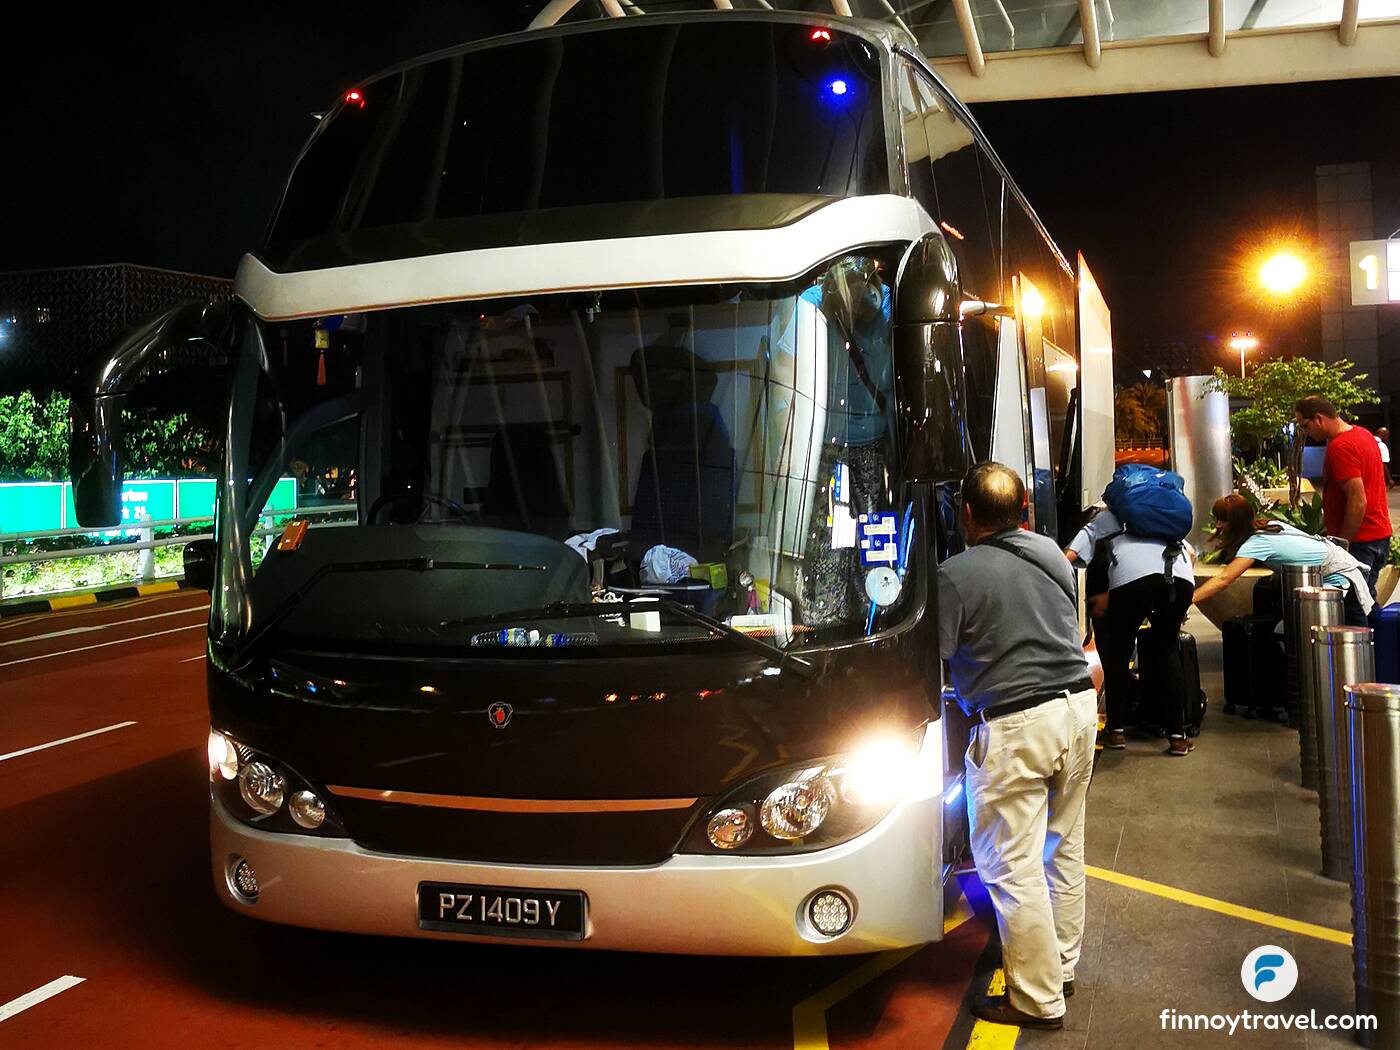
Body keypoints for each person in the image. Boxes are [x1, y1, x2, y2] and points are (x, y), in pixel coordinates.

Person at [938, 462, 1097, 1030]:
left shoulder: (954, 575)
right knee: (1064, 845)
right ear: (1024, 511)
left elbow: (935, 652)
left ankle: (1036, 999)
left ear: (968, 515)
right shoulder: (1052, 553)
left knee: (1010, 867)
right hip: (1078, 710)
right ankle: (1063, 967)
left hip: (1016, 725)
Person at [1065, 500, 1196, 756]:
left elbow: (1067, 557)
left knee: (1120, 652)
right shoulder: (1163, 517)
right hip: (1179, 579)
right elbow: (1190, 554)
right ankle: (1178, 738)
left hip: (1132, 581)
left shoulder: (1103, 521)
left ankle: (1115, 731)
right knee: (1167, 649)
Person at [1193, 494, 1374, 627]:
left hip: (1340, 584)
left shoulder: (1257, 543)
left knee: (1349, 648)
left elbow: (1224, 579)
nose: (1217, 525)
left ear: (1237, 523)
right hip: (1344, 574)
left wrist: (1189, 599)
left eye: (1222, 520)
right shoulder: (1270, 526)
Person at [1295, 396, 1393, 602]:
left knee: (1354, 609)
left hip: (1360, 542)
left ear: (1319, 418)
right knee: (1366, 601)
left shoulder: (1340, 447)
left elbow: (1358, 501)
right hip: (1378, 536)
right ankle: (1384, 634)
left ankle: (1381, 634)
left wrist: (1341, 546)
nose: (1306, 433)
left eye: (1305, 425)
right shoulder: (1363, 434)